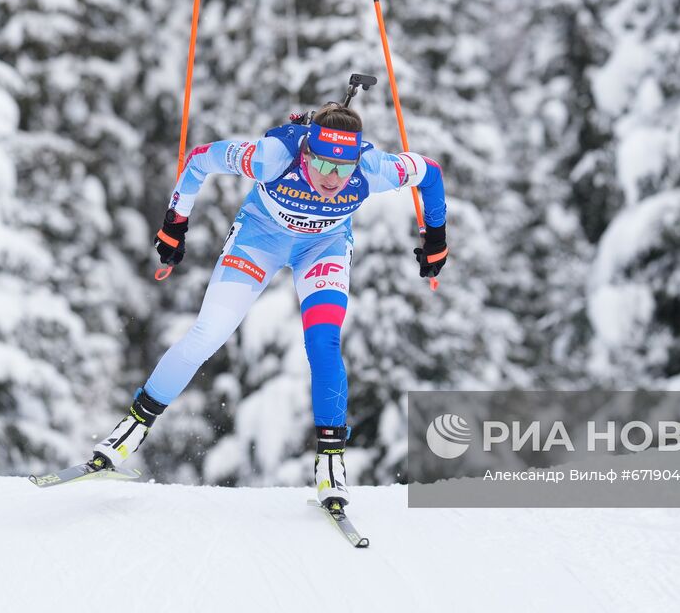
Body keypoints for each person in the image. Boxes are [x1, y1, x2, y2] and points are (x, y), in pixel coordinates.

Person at [88, 94, 448, 510]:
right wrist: (174, 225)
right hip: (259, 239)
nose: (332, 178)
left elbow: (430, 173)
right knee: (208, 333)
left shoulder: (372, 168)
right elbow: (200, 159)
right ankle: (132, 430)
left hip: (324, 248)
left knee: (324, 344)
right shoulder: (272, 157)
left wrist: (435, 240)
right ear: (306, 153)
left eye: (343, 168)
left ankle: (330, 461)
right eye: (323, 165)